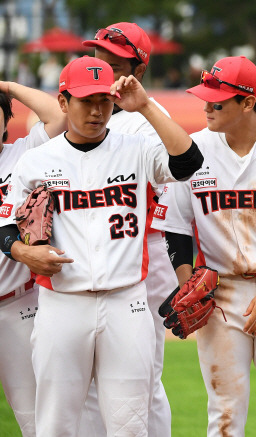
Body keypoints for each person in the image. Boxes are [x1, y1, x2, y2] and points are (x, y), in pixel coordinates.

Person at [0, 56, 203, 436]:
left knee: (129, 424)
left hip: (126, 302)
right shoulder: (37, 160)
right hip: (62, 304)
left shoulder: (137, 149)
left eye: (103, 101)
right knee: (55, 425)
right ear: (63, 103)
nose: (96, 111)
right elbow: (5, 227)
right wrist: (23, 252)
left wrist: (144, 105)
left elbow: (189, 161)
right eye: (84, 101)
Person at [151, 56, 256, 436]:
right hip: (218, 291)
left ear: (247, 102)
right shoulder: (192, 149)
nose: (207, 106)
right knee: (224, 414)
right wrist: (187, 284)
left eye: (218, 100)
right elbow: (175, 226)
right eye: (206, 98)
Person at [80, 22, 176, 437]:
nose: (102, 64)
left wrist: (182, 265)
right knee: (86, 381)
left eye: (114, 61)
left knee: (143, 378)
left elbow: (183, 184)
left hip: (145, 251)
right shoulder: (82, 107)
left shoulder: (146, 120)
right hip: (86, 253)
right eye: (98, 55)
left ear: (137, 68)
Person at [0, 81, 66, 436]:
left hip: (16, 306)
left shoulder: (24, 155)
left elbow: (59, 115)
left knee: (36, 419)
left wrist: (7, 86)